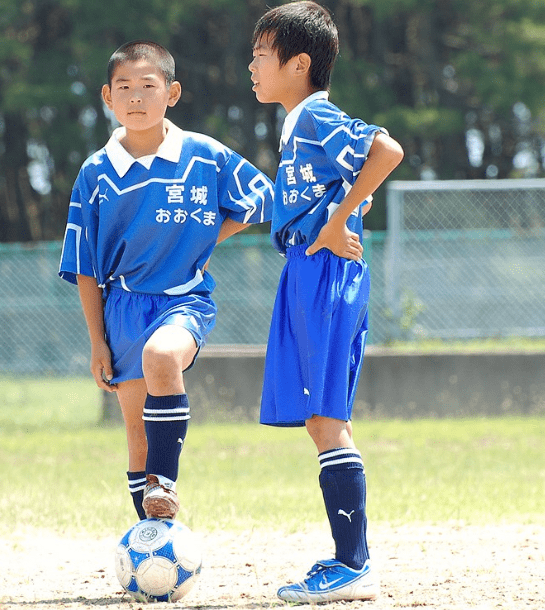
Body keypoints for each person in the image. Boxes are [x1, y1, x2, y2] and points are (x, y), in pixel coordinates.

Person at [59, 40, 273, 522]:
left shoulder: (202, 156)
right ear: (107, 98)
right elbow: (86, 267)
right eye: (124, 88)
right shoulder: (95, 173)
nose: (136, 98)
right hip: (123, 308)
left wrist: (205, 238)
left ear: (172, 93)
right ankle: (156, 541)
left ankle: (164, 483)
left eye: (148, 86)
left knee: (161, 356)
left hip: (184, 299)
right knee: (137, 437)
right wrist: (97, 342)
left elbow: (263, 198)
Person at [249, 1, 404, 604]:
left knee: (327, 419)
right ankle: (347, 558)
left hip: (326, 272)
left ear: (299, 63)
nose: (252, 67)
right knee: (318, 419)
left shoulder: (315, 115)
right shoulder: (295, 125)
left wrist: (340, 220)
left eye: (262, 55)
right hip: (305, 270)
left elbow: (385, 150)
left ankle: (352, 562)